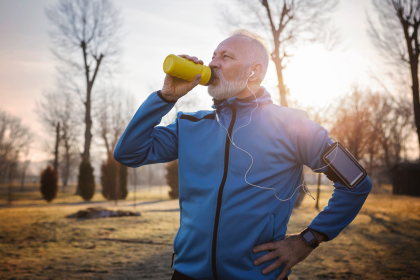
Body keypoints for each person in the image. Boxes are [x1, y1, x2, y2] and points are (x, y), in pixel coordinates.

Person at [113, 29, 372, 280]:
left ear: (254, 71)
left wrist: (307, 240)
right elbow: (129, 153)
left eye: (226, 57)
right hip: (187, 274)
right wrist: (165, 97)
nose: (213, 63)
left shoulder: (293, 125)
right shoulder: (190, 125)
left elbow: (357, 182)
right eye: (213, 55)